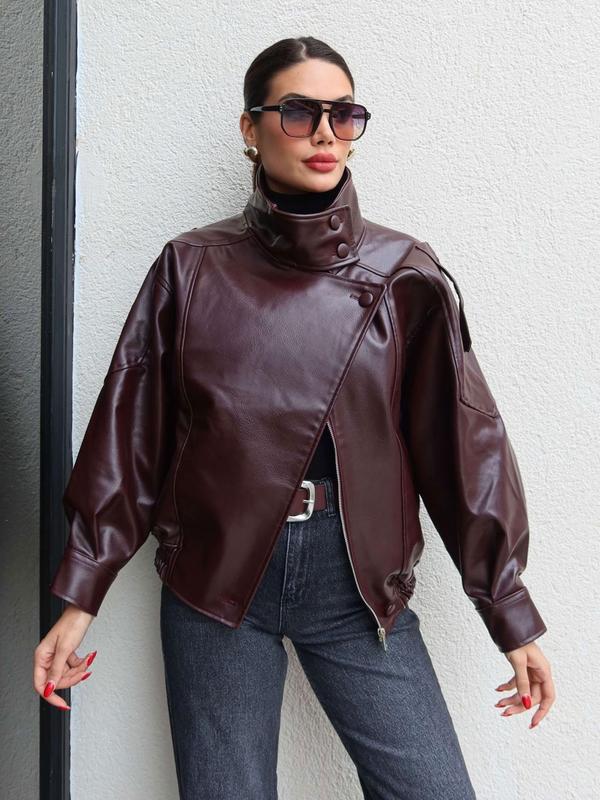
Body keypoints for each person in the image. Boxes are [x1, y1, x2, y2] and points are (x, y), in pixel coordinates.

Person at [34, 36, 555, 799]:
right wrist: (80, 596)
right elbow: (130, 437)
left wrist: (509, 611)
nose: (325, 133)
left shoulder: (403, 274)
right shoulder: (190, 267)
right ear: (251, 128)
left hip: (355, 582)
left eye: (344, 115)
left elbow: (463, 450)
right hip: (215, 578)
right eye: (300, 112)